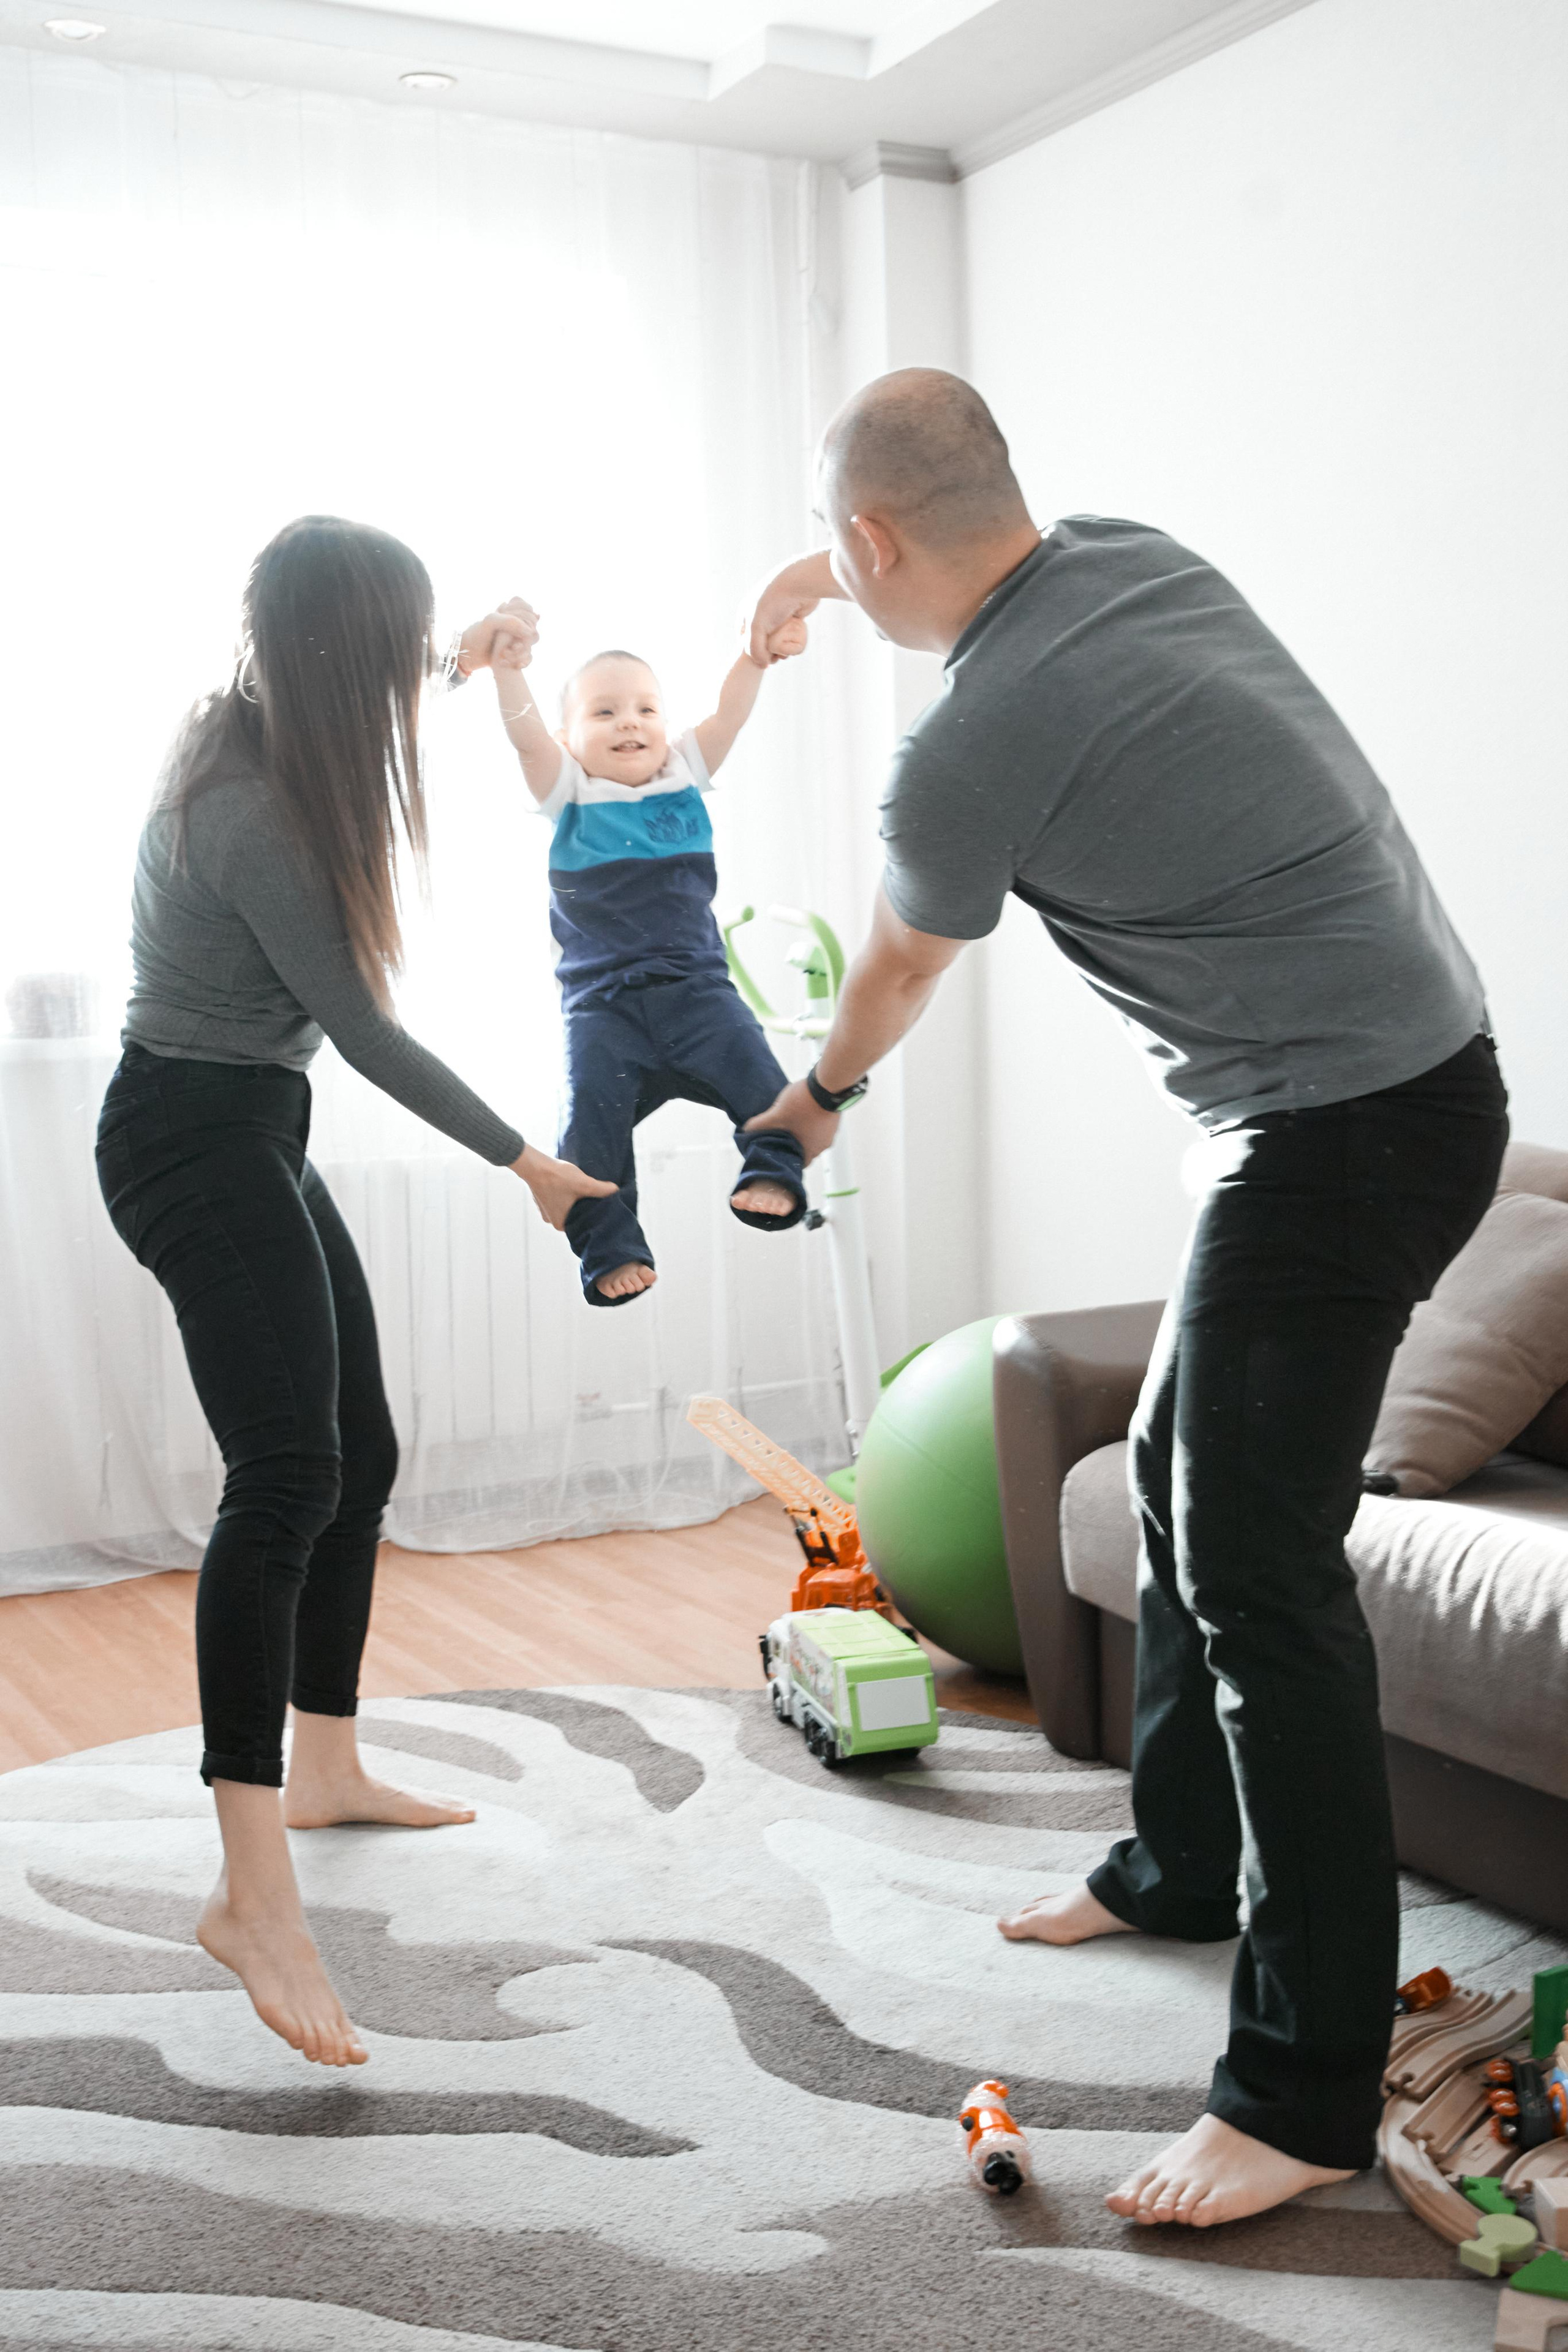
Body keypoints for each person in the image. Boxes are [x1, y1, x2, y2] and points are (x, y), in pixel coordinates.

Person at [742, 369, 1508, 2227]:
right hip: (1376, 1096)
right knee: (1174, 1467)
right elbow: (948, 565)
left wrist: (810, 1099)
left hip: (1343, 1132)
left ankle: (1302, 2087)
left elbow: (907, 963)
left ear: (868, 542)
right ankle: (1179, 1858)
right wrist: (844, 576)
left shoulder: (967, 737)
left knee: (1257, 1568)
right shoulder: (1130, 560)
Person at [96, 516, 616, 2070]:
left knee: (361, 1452)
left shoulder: (259, 724)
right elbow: (371, 1035)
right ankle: (252, 1888)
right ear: (341, 659)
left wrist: (472, 665)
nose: (414, 675)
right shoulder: (248, 805)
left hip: (244, 1124)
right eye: (402, 650)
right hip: (191, 1139)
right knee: (289, 1476)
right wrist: (529, 1161)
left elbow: (380, 696)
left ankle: (323, 1764)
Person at [478, 601, 810, 1304]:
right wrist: (508, 675)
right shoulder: (566, 789)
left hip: (697, 992)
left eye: (646, 709)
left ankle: (773, 1168)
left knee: (762, 1080)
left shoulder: (683, 774)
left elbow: (729, 714)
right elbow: (526, 741)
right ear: (570, 738)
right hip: (601, 1009)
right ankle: (608, 1243)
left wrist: (756, 656)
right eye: (604, 713)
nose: (630, 722)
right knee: (586, 1127)